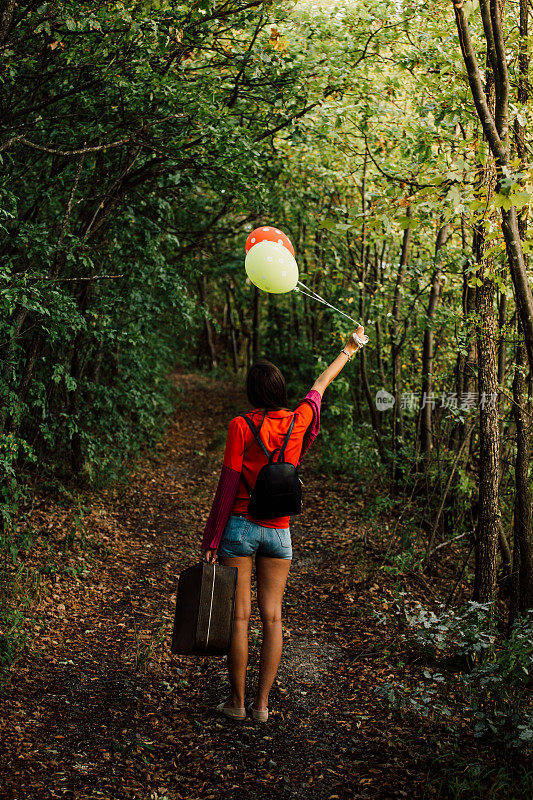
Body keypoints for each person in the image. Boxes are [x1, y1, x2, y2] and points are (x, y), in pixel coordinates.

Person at [201, 326, 368, 722]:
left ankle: (237, 704)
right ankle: (262, 706)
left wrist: (211, 537)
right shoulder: (298, 420)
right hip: (279, 531)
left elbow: (227, 484)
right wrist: (350, 347)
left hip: (239, 527)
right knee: (272, 617)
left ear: (252, 393)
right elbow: (321, 384)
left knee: (239, 617)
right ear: (278, 389)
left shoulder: (240, 425)